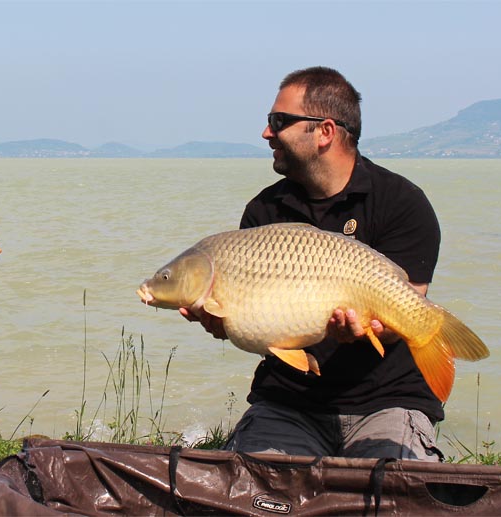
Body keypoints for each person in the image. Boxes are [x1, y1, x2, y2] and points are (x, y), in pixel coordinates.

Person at [181, 66, 445, 461]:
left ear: (325, 132)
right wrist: (226, 323)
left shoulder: (401, 202)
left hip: (385, 400)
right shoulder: (264, 211)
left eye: (279, 121)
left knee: (395, 494)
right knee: (253, 492)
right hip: (289, 403)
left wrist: (368, 330)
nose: (266, 133)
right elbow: (266, 327)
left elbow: (406, 311)